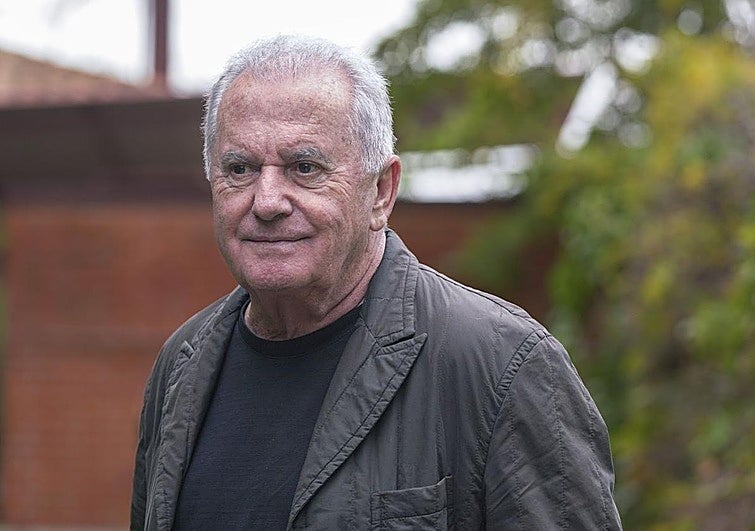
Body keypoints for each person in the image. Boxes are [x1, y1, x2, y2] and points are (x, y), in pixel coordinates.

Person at [130, 34, 622, 530]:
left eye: (304, 168)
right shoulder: (182, 366)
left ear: (381, 191)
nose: (268, 201)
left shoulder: (500, 366)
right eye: (240, 169)